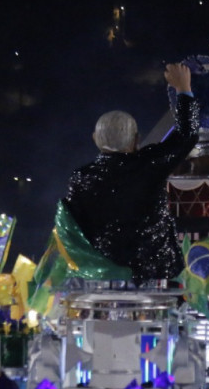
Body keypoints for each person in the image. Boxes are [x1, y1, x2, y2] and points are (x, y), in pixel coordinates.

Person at [63, 63, 198, 283]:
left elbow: (73, 235)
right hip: (155, 281)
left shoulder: (81, 178)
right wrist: (184, 89)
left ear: (95, 139)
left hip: (103, 281)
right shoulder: (149, 165)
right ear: (137, 140)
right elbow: (187, 136)